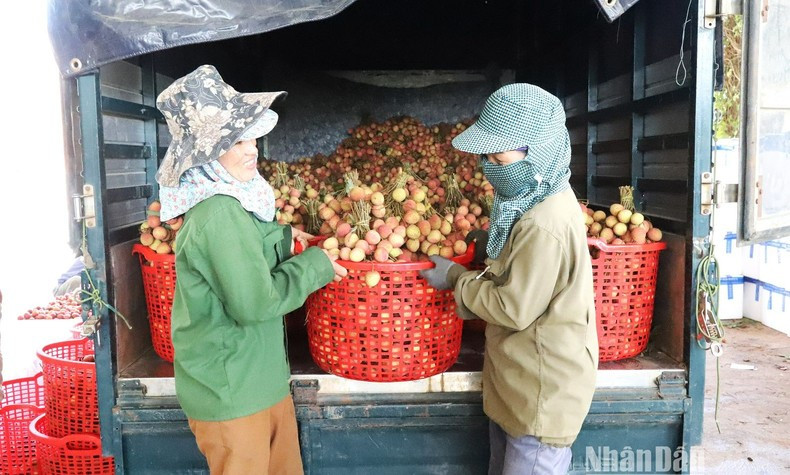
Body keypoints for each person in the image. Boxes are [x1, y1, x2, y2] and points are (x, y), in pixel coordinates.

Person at [156, 65, 347, 475]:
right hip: (232, 393)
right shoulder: (217, 213)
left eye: (251, 137)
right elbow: (255, 303)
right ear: (205, 154)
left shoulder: (232, 201)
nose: (252, 150)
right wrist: (315, 265)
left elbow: (247, 246)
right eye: (236, 141)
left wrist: (287, 238)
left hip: (259, 381)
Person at [421, 83, 598, 474]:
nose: (490, 168)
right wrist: (494, 249)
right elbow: (526, 269)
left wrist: (457, 277)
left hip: (540, 395)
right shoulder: (539, 193)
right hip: (519, 383)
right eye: (487, 158)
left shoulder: (544, 223)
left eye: (499, 159)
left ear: (538, 152)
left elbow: (512, 308)